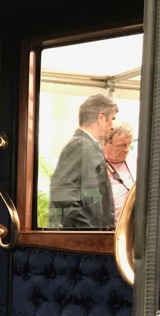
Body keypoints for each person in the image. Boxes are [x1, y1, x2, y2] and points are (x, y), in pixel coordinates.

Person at [49, 93, 118, 229]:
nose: (113, 126)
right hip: (81, 237)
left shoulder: (87, 146)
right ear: (101, 117)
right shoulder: (80, 146)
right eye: (112, 119)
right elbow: (63, 196)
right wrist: (87, 232)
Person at [103, 122, 136, 223]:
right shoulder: (95, 166)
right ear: (105, 144)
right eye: (122, 145)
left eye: (129, 144)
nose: (126, 150)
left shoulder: (135, 163)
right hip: (108, 227)